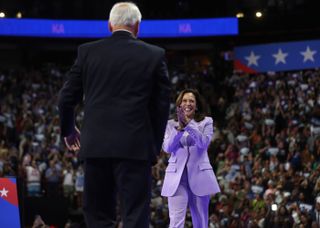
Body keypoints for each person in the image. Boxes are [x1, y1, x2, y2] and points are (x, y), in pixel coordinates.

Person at [57, 2, 171, 227]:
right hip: (135, 148)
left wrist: (69, 131)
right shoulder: (155, 55)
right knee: (135, 216)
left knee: (98, 217)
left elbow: (65, 99)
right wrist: (154, 146)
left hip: (96, 147)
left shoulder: (87, 52)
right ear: (137, 26)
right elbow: (161, 108)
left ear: (110, 25)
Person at [161, 89, 220, 228]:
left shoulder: (206, 122)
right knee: (176, 221)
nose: (188, 103)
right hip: (177, 178)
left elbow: (203, 143)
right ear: (179, 105)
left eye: (191, 101)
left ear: (197, 105)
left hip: (200, 175)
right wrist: (179, 129)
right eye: (185, 101)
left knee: (201, 222)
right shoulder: (170, 124)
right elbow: (168, 148)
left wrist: (188, 124)